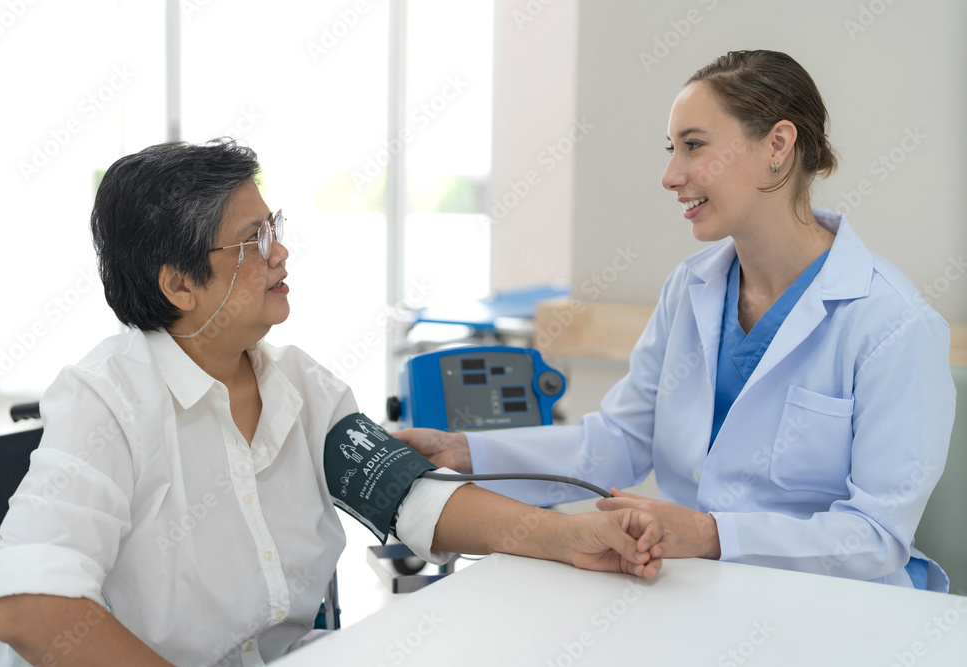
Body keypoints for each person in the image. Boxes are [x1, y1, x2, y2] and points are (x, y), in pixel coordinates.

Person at [0, 140, 670, 667]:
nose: (280, 252)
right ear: (179, 284)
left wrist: (567, 537)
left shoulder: (300, 386)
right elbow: (28, 605)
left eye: (273, 225)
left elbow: (412, 496)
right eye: (252, 240)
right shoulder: (106, 399)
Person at [396, 50, 956, 592]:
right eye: (673, 149)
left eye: (693, 146)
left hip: (841, 609)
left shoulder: (892, 324)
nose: (670, 175)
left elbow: (876, 536)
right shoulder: (690, 290)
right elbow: (619, 441)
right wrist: (462, 452)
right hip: (702, 589)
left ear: (777, 146)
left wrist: (711, 535)